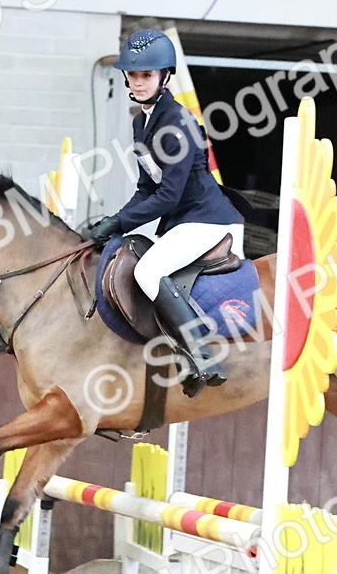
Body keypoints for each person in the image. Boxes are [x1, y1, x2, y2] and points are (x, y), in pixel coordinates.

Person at [85, 29, 245, 398]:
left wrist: (121, 221)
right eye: (135, 75)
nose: (139, 82)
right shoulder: (142, 122)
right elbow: (147, 188)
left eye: (147, 75)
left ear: (165, 76)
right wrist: (115, 222)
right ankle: (175, 352)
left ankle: (203, 354)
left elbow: (169, 195)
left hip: (208, 220)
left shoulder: (177, 123)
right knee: (128, 255)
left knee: (148, 269)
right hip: (182, 221)